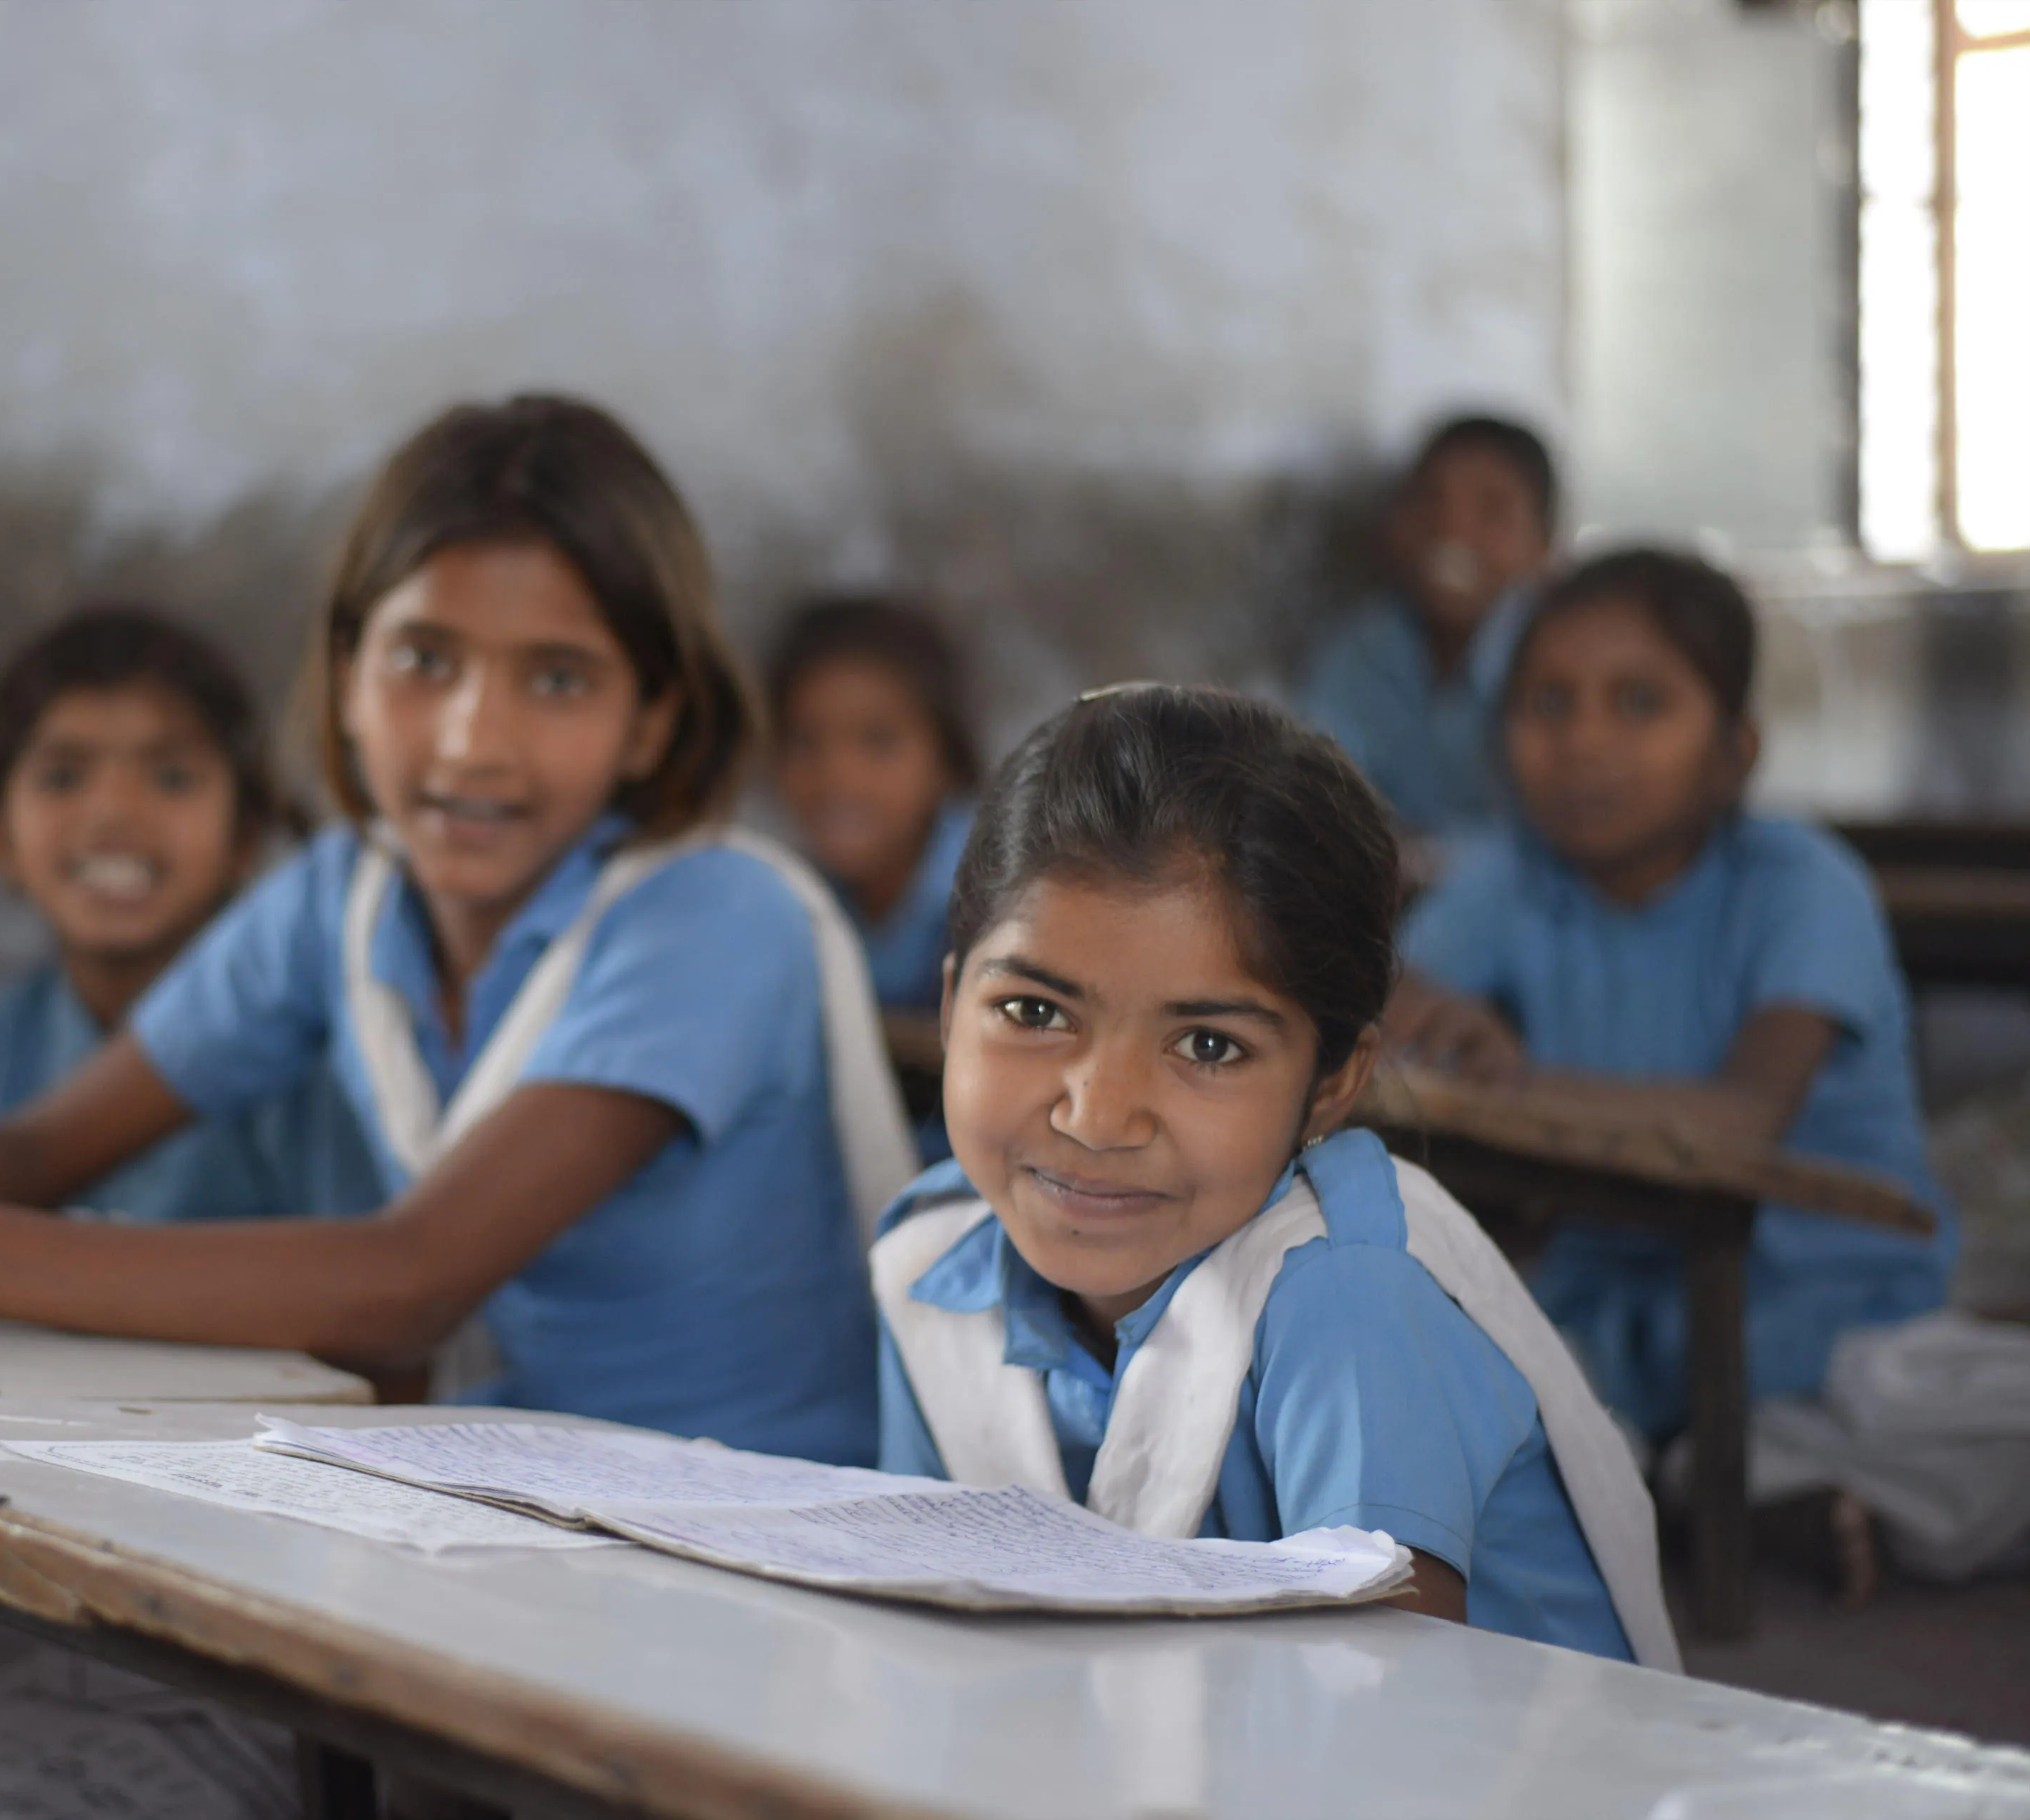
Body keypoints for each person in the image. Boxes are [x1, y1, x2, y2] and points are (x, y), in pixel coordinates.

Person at [0, 395, 916, 1466]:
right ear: (346, 673)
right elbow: (38, 1143)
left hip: (741, 1547)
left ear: (653, 719)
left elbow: (410, 1278)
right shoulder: (346, 897)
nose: (473, 737)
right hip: (510, 1516)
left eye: (557, 679)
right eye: (425, 658)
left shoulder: (713, 917)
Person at [873, 684, 1674, 1667]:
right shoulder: (929, 1266)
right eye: (1035, 1013)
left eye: (1207, 1043)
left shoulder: (1346, 1293)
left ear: (1334, 1081)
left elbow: (1385, 1720)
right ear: (952, 1005)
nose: (1097, 1113)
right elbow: (932, 1630)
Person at [1389, 549, 1955, 1442]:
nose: (1584, 742)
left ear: (1736, 751)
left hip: (1834, 1308)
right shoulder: (1514, 877)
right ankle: (1736, 1490)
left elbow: (1742, 1121)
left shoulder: (1801, 885)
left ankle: (1739, 1483)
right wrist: (1422, 1015)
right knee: (1450, 1395)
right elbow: (1380, 996)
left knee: (1935, 1411)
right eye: (1549, 702)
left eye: (1641, 702)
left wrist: (1498, 1082)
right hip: (1620, 1310)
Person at [0, 604, 381, 1224]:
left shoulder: (306, 1060)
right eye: (63, 777)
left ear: (245, 835)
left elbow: (356, 1281)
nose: (114, 813)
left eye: (171, 777)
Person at [767, 595, 979, 1156]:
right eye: (805, 742)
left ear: (946, 756)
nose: (839, 777)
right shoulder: (791, 903)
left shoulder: (1009, 896)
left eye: (878, 742)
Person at [1296, 415, 1558, 836]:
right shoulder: (1366, 646)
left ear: (1543, 547)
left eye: (1492, 510)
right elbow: (1316, 787)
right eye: (1428, 501)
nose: (1452, 531)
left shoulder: (1559, 662)